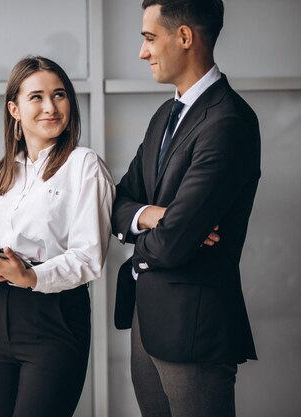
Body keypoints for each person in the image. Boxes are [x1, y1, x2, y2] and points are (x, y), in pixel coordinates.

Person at [111, 1, 260, 416]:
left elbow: (173, 244)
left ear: (184, 37)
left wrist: (163, 229)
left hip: (194, 328)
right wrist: (157, 216)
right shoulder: (165, 114)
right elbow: (118, 202)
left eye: (149, 38)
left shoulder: (228, 121)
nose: (143, 52)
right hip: (149, 322)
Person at [0, 56, 115, 417]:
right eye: (37, 97)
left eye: (59, 95)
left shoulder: (83, 165)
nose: (50, 107)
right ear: (14, 108)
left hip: (54, 318)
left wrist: (30, 276)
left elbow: (89, 258)